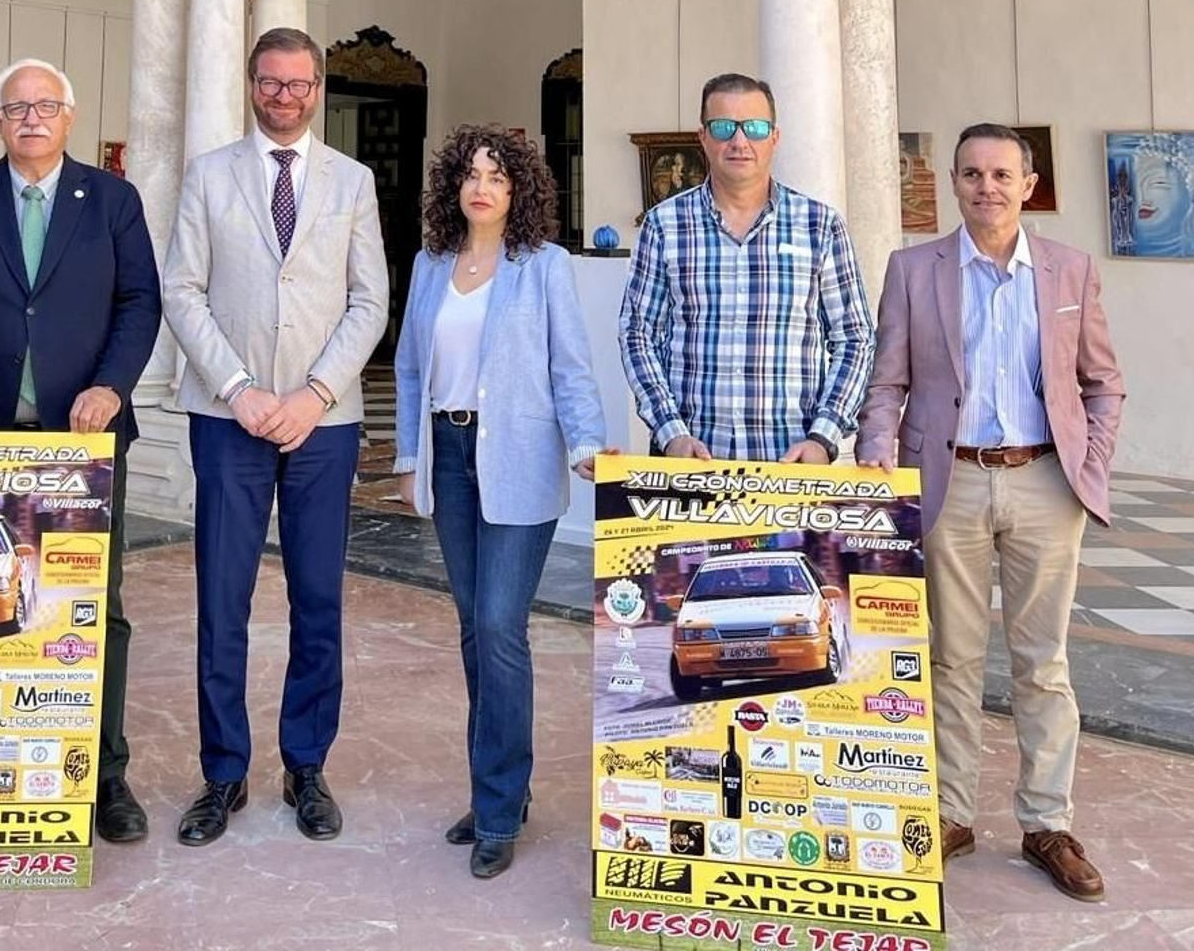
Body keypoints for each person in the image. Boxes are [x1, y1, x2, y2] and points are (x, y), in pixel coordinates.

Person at [856, 122, 1125, 903]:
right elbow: (888, 382)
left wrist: (1090, 464)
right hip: (952, 481)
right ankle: (951, 813)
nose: (988, 187)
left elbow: (1104, 382)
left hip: (1045, 482)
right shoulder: (914, 269)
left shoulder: (1070, 270)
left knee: (1043, 663)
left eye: (1003, 173)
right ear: (953, 181)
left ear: (1028, 183)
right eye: (972, 173)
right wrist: (880, 452)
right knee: (952, 660)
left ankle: (1047, 823)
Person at [0, 58, 162, 844]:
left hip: (81, 446)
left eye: (46, 106)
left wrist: (113, 385)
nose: (31, 119)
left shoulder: (113, 200)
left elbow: (139, 300)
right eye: (16, 108)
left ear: (70, 117)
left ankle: (105, 775)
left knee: (90, 608)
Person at [162, 27, 388, 847]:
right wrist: (242, 389)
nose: (284, 96)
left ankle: (306, 765)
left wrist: (315, 392)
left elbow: (370, 300)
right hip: (229, 418)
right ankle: (222, 772)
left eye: (298, 83)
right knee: (222, 601)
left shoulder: (353, 181)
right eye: (270, 82)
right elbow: (182, 291)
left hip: (323, 425)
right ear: (252, 86)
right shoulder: (208, 174)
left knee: (317, 599)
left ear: (318, 88)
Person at [392, 125, 607, 878]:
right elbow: (412, 363)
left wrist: (586, 441)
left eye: (498, 176)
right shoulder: (428, 265)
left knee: (498, 625)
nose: (482, 186)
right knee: (470, 628)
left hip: (516, 456)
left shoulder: (543, 266)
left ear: (519, 191)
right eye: (471, 175)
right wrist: (411, 455)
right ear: (454, 186)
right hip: (448, 456)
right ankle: (500, 793)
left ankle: (497, 805)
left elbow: (571, 365)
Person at [619, 73, 875, 465]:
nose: (739, 141)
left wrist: (824, 437)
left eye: (754, 128)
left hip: (792, 462)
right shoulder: (664, 225)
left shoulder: (819, 225)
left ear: (774, 137)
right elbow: (638, 334)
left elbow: (855, 338)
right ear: (702, 137)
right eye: (723, 127)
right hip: (692, 461)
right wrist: (670, 432)